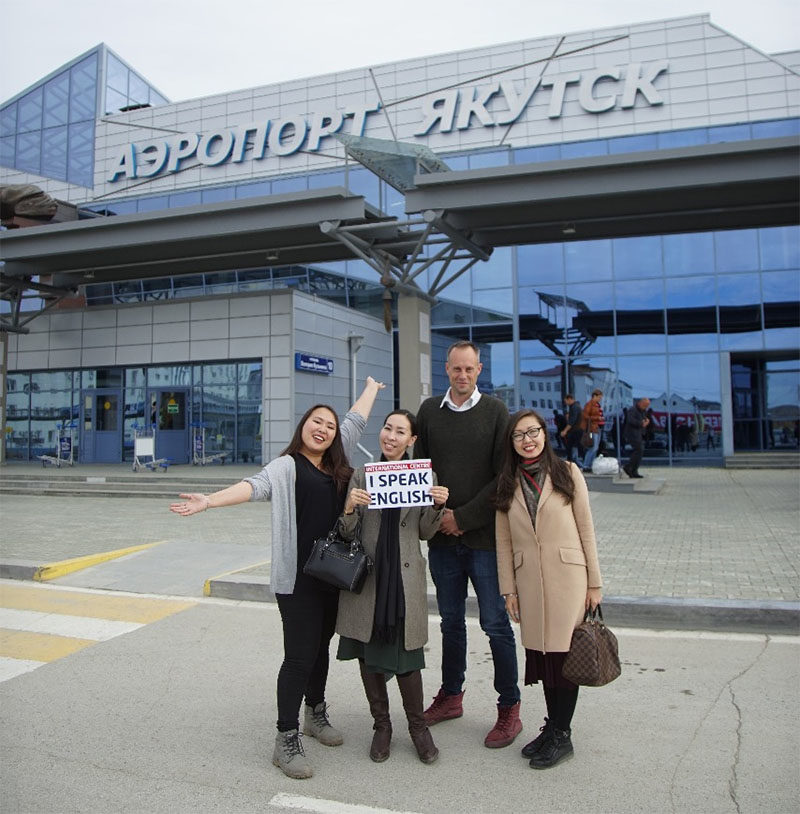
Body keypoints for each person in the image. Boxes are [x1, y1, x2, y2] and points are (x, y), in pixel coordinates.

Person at [169, 376, 385, 780]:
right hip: (299, 579)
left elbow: (355, 419)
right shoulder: (286, 467)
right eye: (316, 422)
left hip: (334, 575)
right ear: (303, 426)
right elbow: (254, 486)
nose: (323, 429)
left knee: (321, 649)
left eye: (329, 425)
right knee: (300, 656)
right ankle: (285, 739)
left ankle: (315, 715)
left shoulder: (339, 462)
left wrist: (372, 387)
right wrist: (209, 501)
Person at [414, 341, 522, 749]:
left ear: (479, 370)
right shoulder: (428, 412)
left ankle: (509, 708)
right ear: (446, 369)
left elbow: (503, 476)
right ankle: (451, 696)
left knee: (495, 624)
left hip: (484, 540)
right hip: (442, 540)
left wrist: (462, 517)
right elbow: (421, 470)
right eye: (456, 369)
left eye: (469, 369)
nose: (462, 376)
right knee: (451, 623)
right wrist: (439, 519)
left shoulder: (496, 413)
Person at [336, 409, 449, 765]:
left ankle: (418, 728)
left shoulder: (422, 476)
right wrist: (350, 509)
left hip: (403, 580)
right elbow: (346, 534)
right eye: (387, 428)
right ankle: (381, 726)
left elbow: (426, 532)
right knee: (368, 653)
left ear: (411, 440)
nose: (391, 436)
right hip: (368, 579)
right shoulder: (362, 474)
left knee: (407, 656)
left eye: (400, 432)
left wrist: (436, 505)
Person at [494, 409, 603, 770]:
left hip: (568, 579)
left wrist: (595, 582)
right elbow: (504, 541)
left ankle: (562, 735)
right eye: (520, 435)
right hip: (529, 583)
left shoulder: (567, 472)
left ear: (545, 433)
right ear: (512, 443)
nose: (528, 440)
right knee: (544, 658)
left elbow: (586, 528)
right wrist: (508, 590)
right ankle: (553, 726)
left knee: (564, 659)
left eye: (534, 432)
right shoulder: (507, 482)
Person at [623, 397, 650, 479]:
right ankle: (629, 467)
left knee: (640, 451)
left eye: (647, 406)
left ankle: (633, 470)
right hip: (632, 434)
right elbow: (630, 421)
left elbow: (643, 418)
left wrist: (646, 421)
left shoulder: (642, 411)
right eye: (645, 405)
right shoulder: (632, 410)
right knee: (639, 450)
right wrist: (641, 423)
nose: (646, 407)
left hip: (639, 433)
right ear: (640, 403)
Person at [580, 389, 605, 471]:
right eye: (599, 397)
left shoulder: (597, 405)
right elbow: (585, 416)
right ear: (595, 396)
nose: (600, 399)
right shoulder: (589, 404)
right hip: (592, 429)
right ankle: (586, 465)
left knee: (596, 447)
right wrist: (597, 418)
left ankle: (590, 465)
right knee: (593, 447)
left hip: (597, 428)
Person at [560, 394, 583, 464]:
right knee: (574, 445)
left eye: (566, 401)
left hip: (576, 430)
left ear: (570, 399)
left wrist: (565, 431)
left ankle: (572, 460)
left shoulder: (574, 407)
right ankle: (572, 459)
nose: (566, 403)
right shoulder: (575, 406)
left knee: (571, 445)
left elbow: (572, 421)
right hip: (577, 430)